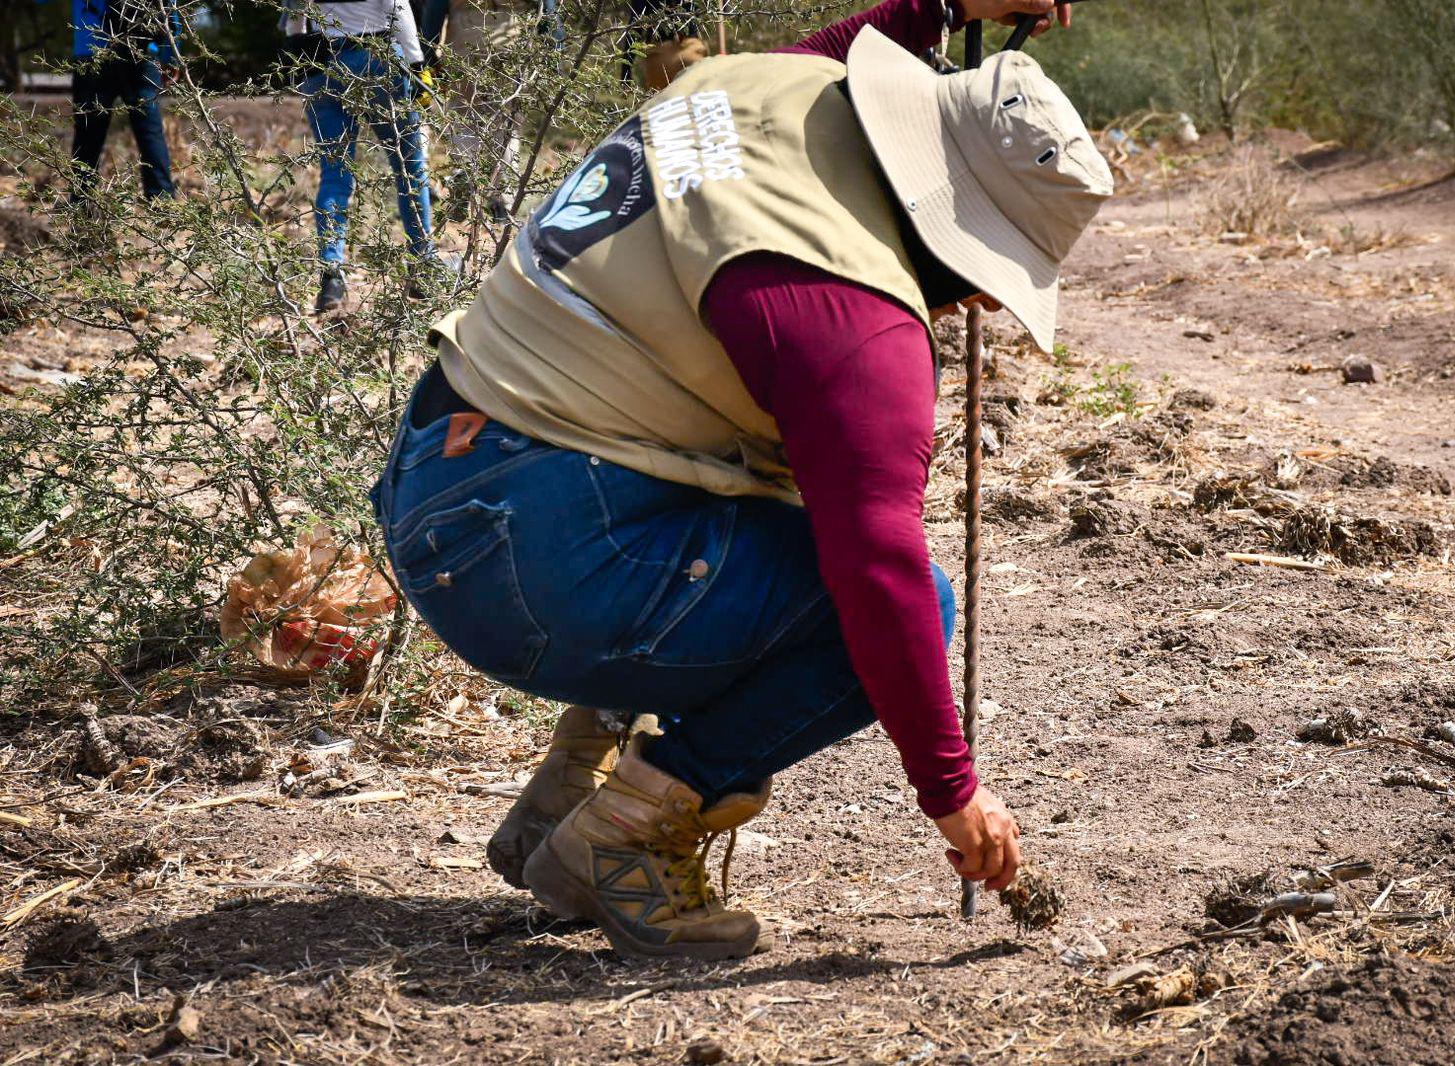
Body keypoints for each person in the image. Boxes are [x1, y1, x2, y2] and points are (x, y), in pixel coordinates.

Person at [370, 0, 1110, 960]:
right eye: (986, 272)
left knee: (747, 488)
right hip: (530, 564)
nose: (973, 299)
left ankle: (575, 780)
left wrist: (941, 8)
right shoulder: (856, 328)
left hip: (441, 473)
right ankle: (625, 835)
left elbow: (846, 55)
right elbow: (879, 574)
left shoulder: (755, 89)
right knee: (905, 606)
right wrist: (953, 792)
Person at [281, 0, 449, 314]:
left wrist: (302, 55)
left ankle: (331, 276)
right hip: (379, 58)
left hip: (324, 62)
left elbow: (294, 21)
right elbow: (397, 8)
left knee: (335, 173)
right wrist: (416, 67)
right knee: (409, 170)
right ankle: (423, 266)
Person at [417, 0, 563, 225]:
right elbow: (550, 16)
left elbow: (432, 21)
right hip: (510, 53)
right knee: (507, 129)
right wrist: (555, 58)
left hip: (464, 52)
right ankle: (501, 203)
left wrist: (430, 60)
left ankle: (466, 175)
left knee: (465, 122)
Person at [66, 0, 183, 203]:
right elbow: (169, 11)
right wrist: (170, 57)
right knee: (150, 131)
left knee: (88, 133)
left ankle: (81, 204)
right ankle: (161, 201)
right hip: (141, 51)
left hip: (92, 50)